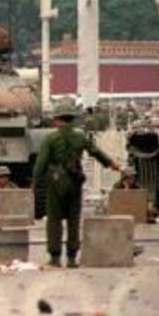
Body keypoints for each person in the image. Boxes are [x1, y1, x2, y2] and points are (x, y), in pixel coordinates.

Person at [32, 103, 120, 268]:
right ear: (71, 120)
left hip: (56, 182)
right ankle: (72, 258)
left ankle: (55, 257)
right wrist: (111, 164)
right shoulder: (80, 136)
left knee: (54, 220)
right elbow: (95, 151)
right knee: (73, 219)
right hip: (74, 180)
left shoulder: (50, 138)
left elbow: (41, 163)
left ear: (58, 120)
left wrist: (34, 184)